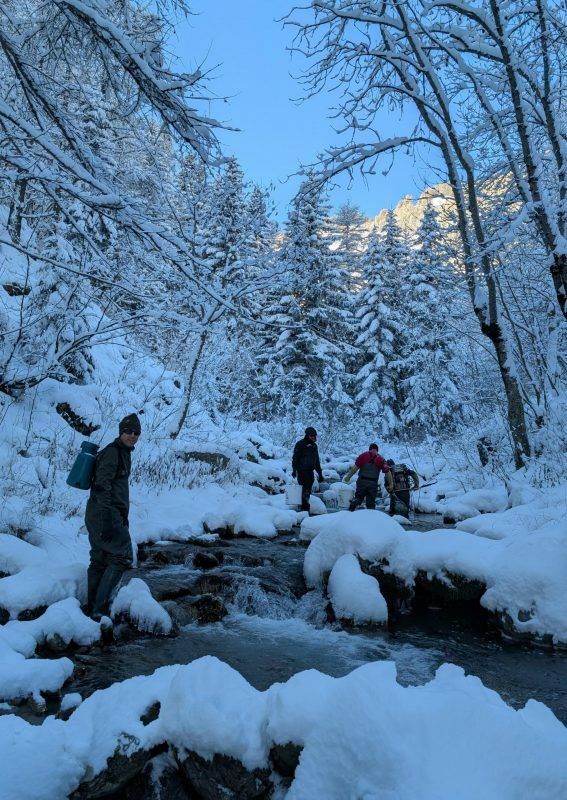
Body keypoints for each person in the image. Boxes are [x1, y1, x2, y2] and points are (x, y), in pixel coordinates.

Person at [85, 413, 141, 620]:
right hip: (104, 512)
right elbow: (102, 486)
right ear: (121, 432)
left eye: (136, 432)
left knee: (99, 559)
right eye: (128, 431)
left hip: (103, 512)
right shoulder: (112, 453)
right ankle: (99, 610)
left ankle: (91, 608)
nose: (132, 435)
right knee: (122, 557)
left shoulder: (123, 452)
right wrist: (107, 518)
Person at [344, 443, 393, 511]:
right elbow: (388, 472)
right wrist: (391, 484)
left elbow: (354, 468)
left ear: (369, 449)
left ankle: (350, 511)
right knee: (370, 503)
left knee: (358, 498)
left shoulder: (363, 456)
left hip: (362, 482)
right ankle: (370, 517)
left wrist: (348, 477)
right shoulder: (381, 459)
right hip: (373, 484)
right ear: (377, 450)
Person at [292, 426, 324, 512]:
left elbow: (317, 461)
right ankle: (304, 508)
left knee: (308, 490)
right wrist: (294, 470)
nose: (314, 437)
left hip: (310, 471)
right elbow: (295, 458)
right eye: (312, 435)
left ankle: (305, 507)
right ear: (307, 435)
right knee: (304, 489)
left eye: (315, 435)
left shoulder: (314, 446)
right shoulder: (300, 444)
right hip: (301, 471)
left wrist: (320, 474)